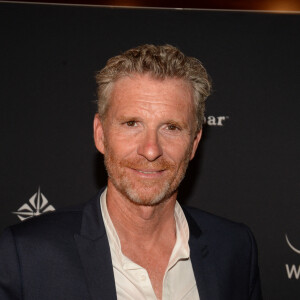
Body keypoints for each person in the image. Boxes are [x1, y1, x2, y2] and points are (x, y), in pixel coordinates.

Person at [0, 44, 262, 300]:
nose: (150, 150)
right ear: (100, 135)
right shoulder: (26, 256)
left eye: (171, 127)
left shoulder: (234, 248)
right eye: (132, 123)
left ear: (194, 143)